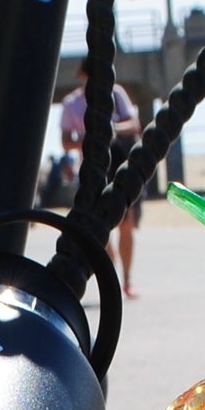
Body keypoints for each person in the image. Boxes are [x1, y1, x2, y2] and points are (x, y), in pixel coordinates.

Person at [59, 59, 143, 297]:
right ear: (82, 77)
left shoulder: (116, 94)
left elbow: (134, 124)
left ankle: (126, 279)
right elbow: (66, 141)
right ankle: (112, 277)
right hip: (92, 168)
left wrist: (113, 129)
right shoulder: (72, 104)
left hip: (119, 162)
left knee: (126, 223)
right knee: (100, 227)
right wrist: (88, 138)